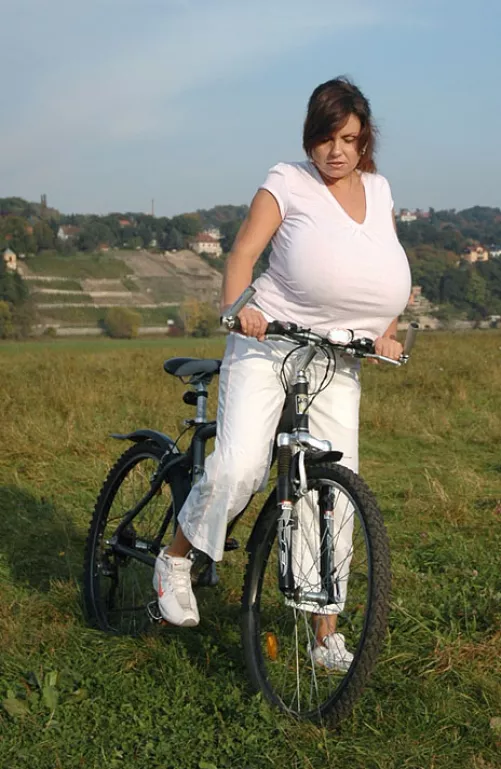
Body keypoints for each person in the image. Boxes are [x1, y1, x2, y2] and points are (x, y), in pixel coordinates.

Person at [153, 76, 411, 670]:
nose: (336, 151)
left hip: (338, 355)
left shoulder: (379, 188)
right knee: (241, 465)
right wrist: (240, 306)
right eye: (325, 138)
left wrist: (388, 329)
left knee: (335, 497)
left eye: (348, 138)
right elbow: (243, 252)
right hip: (269, 342)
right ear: (310, 138)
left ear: (364, 139)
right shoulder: (287, 181)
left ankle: (325, 634)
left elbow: (385, 266)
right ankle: (176, 560)